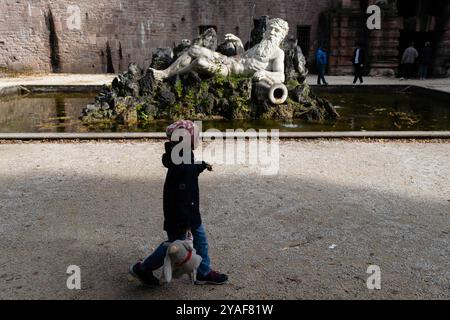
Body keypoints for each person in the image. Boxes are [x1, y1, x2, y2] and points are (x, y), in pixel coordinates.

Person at [130, 120, 228, 286]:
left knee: (200, 241)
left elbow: (190, 170)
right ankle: (143, 268)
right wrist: (185, 224)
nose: (198, 140)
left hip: (189, 213)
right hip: (181, 217)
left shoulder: (181, 156)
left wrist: (201, 166)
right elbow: (181, 195)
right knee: (172, 248)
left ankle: (203, 272)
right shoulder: (181, 164)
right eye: (195, 137)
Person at [150, 18, 289, 87]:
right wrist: (239, 43)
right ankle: (165, 73)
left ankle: (170, 76)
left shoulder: (277, 53)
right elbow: (245, 57)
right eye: (271, 29)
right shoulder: (260, 45)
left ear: (281, 36)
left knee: (200, 62)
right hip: (228, 60)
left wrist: (264, 73)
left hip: (228, 71)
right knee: (194, 49)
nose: (272, 33)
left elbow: (281, 76)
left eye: (276, 31)